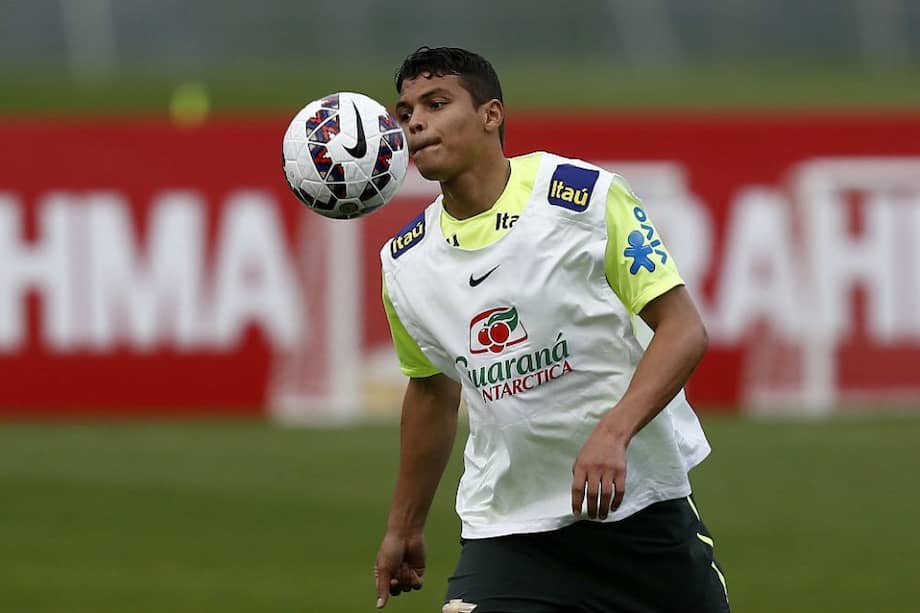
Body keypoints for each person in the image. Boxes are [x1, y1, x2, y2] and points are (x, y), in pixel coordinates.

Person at [374, 46, 730, 613]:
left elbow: (682, 328)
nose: (414, 123)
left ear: (491, 115)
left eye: (436, 104)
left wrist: (614, 433)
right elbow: (431, 392)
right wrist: (404, 524)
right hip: (508, 531)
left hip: (640, 511)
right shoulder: (405, 263)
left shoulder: (582, 199)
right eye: (405, 111)